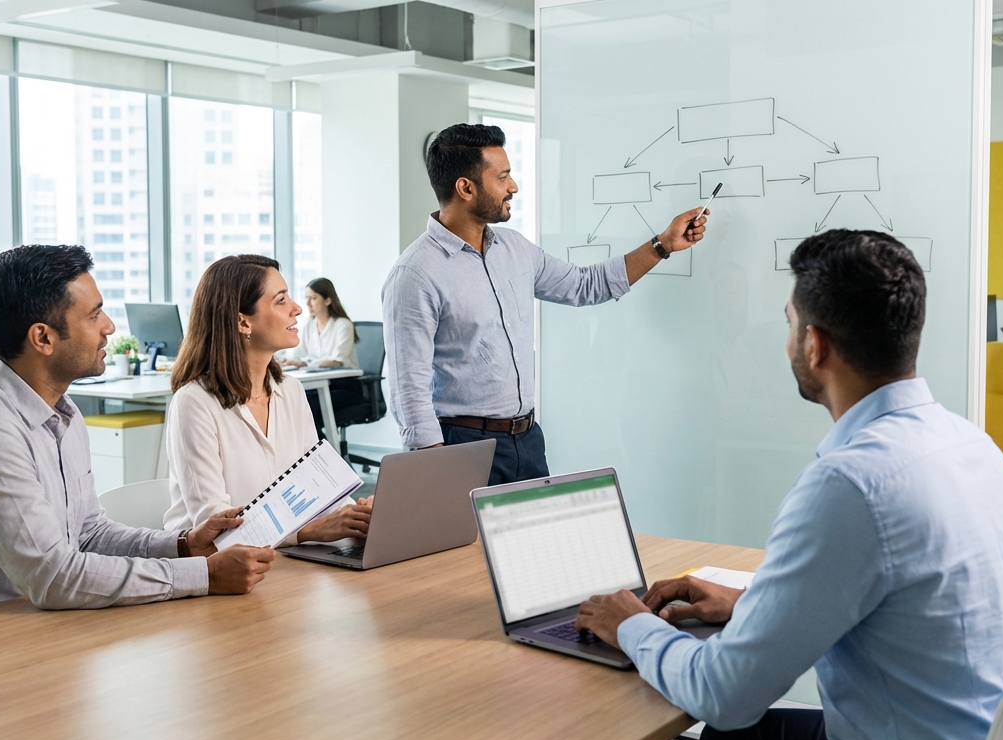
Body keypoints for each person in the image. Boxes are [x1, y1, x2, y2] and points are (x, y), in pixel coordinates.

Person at [574, 230, 1003, 740]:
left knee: (729, 727)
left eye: (789, 324)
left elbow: (723, 695)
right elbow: (898, 594)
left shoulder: (853, 483)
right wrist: (748, 606)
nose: (787, 339)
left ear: (814, 345)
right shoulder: (971, 443)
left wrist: (629, 622)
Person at [0, 245, 276, 623]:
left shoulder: (63, 413)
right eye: (94, 315)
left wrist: (185, 545)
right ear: (43, 338)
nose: (109, 327)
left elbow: (88, 534)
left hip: (39, 626)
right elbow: (54, 577)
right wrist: (204, 576)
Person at [383, 123, 708, 485]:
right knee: (470, 545)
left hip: (527, 440)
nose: (513, 186)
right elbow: (407, 388)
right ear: (466, 188)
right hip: (463, 447)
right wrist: (436, 474)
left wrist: (662, 244)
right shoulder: (415, 274)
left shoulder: (515, 249)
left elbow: (586, 285)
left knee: (537, 543)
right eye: (503, 176)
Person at [162, 254, 372, 545]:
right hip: (216, 568)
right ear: (242, 322)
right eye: (281, 300)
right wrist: (305, 532)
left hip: (285, 559)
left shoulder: (291, 391)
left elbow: (320, 489)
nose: (297, 309)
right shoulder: (194, 403)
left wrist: (358, 515)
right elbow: (216, 525)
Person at [277, 277, 365, 435]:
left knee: (310, 405)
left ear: (328, 300)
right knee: (295, 403)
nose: (308, 303)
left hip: (345, 387)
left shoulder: (343, 324)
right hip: (321, 386)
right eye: (307, 298)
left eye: (313, 298)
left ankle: (322, 454)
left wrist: (304, 364)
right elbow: (298, 353)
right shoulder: (309, 325)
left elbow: (337, 361)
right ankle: (316, 453)